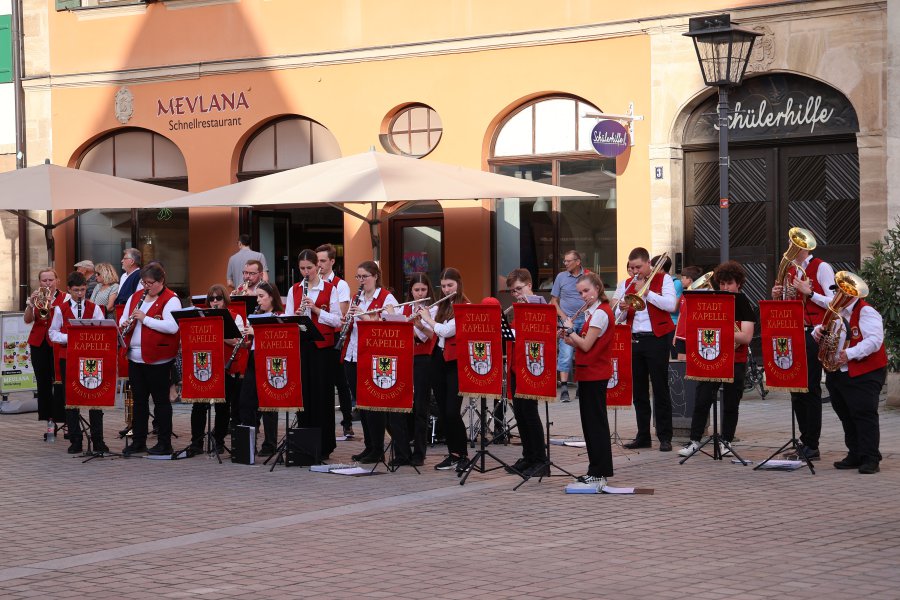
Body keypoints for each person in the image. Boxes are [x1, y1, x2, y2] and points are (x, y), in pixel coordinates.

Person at [678, 261, 755, 458]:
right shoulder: (712, 302)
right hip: (712, 357)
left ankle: (726, 441)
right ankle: (694, 441)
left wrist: (721, 328)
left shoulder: (744, 304)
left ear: (738, 283)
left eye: (729, 283)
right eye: (721, 283)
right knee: (702, 399)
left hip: (736, 359)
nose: (725, 287)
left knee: (731, 403)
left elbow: (746, 337)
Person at [813, 281, 886, 474]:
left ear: (853, 294)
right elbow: (823, 329)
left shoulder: (866, 311)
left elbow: (875, 340)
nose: (837, 295)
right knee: (845, 414)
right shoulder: (835, 312)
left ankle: (870, 458)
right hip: (838, 371)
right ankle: (855, 453)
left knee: (864, 414)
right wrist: (817, 332)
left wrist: (850, 353)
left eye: (841, 291)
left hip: (864, 372)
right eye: (837, 291)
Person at [771, 243, 835, 461]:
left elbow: (835, 302)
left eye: (795, 245)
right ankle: (804, 440)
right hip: (792, 331)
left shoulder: (821, 267)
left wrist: (811, 293)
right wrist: (777, 295)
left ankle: (812, 444)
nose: (791, 249)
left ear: (805, 248)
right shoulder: (790, 270)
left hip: (813, 332)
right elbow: (787, 303)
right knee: (795, 389)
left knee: (810, 388)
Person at [614, 247, 677, 452]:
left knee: (660, 388)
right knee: (639, 391)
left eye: (638, 267)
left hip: (657, 339)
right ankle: (643, 436)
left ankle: (665, 436)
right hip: (634, 338)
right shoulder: (625, 284)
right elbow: (617, 317)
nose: (634, 272)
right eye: (632, 268)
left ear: (648, 263)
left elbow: (671, 305)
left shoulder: (663, 279)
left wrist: (647, 292)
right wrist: (622, 309)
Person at [342, 261, 404, 464]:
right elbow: (352, 326)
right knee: (361, 405)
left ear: (375, 276)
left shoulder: (387, 298)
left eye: (365, 277)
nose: (361, 281)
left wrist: (365, 316)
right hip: (353, 354)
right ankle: (369, 446)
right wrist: (346, 320)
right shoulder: (356, 297)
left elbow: (391, 328)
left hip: (373, 358)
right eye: (358, 277)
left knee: (373, 406)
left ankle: (378, 449)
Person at [285, 250, 343, 460]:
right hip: (302, 347)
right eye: (302, 269)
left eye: (309, 268)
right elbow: (287, 318)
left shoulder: (330, 288)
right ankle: (305, 443)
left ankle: (324, 445)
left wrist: (317, 310)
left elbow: (337, 320)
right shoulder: (294, 290)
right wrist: (296, 316)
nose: (306, 272)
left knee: (322, 396)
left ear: (317, 266)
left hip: (322, 349)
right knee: (304, 396)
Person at [119, 263, 181, 456]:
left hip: (158, 359)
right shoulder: (136, 297)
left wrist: (145, 319)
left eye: (150, 283)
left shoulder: (171, 299)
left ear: (161, 281)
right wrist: (125, 323)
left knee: (161, 402)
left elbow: (172, 327)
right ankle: (138, 441)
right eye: (144, 283)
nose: (146, 287)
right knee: (139, 402)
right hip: (135, 357)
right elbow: (122, 319)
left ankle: (164, 443)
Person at [561, 272, 615, 488]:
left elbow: (585, 345)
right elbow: (582, 343)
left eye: (586, 291)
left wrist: (570, 329)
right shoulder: (593, 313)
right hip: (589, 372)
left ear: (597, 289)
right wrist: (568, 338)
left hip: (595, 373)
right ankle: (595, 470)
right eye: (580, 293)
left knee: (595, 425)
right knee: (591, 424)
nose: (583, 296)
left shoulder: (601, 313)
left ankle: (599, 472)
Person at [417, 267, 471, 471]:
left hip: (455, 363)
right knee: (443, 411)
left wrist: (428, 319)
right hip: (438, 361)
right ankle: (453, 454)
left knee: (452, 411)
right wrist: (419, 324)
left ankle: (463, 454)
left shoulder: (465, 306)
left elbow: (447, 331)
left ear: (459, 284)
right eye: (444, 286)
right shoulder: (441, 307)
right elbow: (433, 334)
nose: (447, 290)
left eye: (450, 285)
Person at [48, 271, 107, 454]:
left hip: (90, 358)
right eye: (76, 290)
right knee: (71, 399)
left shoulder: (94, 308)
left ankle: (98, 440)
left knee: (94, 398)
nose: (80, 294)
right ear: (69, 289)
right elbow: (52, 333)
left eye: (82, 290)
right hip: (69, 357)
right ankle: (75, 439)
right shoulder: (61, 309)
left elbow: (102, 330)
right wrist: (71, 337)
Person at [188, 285, 243, 455]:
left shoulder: (235, 317)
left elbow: (237, 340)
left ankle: (218, 441)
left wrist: (218, 332)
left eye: (218, 298)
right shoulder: (202, 317)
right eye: (211, 299)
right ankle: (196, 442)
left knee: (222, 407)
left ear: (224, 300)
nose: (214, 302)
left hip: (226, 368)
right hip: (204, 366)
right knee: (198, 405)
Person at [504, 269, 548, 477]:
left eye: (519, 289)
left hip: (531, 367)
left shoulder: (539, 306)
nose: (516, 294)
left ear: (529, 285)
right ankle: (528, 456)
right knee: (520, 413)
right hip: (516, 365)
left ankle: (540, 459)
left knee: (530, 413)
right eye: (513, 291)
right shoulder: (518, 308)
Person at [237, 281, 284, 456]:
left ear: (271, 297)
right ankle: (249, 444)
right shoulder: (256, 315)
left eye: (261, 296)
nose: (258, 300)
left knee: (268, 404)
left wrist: (255, 332)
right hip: (254, 358)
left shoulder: (279, 316)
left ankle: (270, 445)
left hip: (271, 361)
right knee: (246, 401)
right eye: (257, 296)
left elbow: (278, 337)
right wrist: (246, 342)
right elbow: (254, 341)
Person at [395, 273, 437, 467]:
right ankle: (402, 452)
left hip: (423, 359)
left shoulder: (433, 308)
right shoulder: (404, 308)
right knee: (401, 405)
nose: (420, 293)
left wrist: (417, 324)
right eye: (416, 290)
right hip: (404, 358)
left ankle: (419, 453)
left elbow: (429, 336)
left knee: (421, 407)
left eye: (423, 290)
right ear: (410, 291)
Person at [317, 243, 356, 436]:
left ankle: (347, 423)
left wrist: (318, 311)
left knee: (341, 382)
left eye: (323, 261)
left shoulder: (340, 285)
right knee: (321, 381)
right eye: (317, 261)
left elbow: (341, 313)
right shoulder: (312, 283)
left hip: (335, 335)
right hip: (317, 336)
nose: (319, 265)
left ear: (332, 261)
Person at [24, 268, 67, 433]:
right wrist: (30, 304)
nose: (48, 283)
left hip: (57, 343)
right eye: (44, 280)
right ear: (39, 282)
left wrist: (51, 305)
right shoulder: (37, 296)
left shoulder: (65, 298)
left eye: (51, 280)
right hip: (39, 342)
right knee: (43, 382)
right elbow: (28, 320)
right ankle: (49, 420)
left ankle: (64, 419)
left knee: (60, 382)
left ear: (57, 281)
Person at [550, 250, 589, 402]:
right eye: (564, 261)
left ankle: (581, 387)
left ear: (578, 262)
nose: (565, 263)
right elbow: (554, 301)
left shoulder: (588, 276)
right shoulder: (561, 277)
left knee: (583, 353)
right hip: (566, 320)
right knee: (565, 354)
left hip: (584, 319)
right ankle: (564, 388)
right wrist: (563, 317)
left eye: (568, 261)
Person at [673, 266, 704, 360]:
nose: (681, 280)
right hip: (681, 335)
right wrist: (676, 334)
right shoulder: (683, 294)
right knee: (681, 361)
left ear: (690, 279)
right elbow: (680, 314)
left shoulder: (699, 295)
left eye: (683, 278)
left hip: (693, 335)